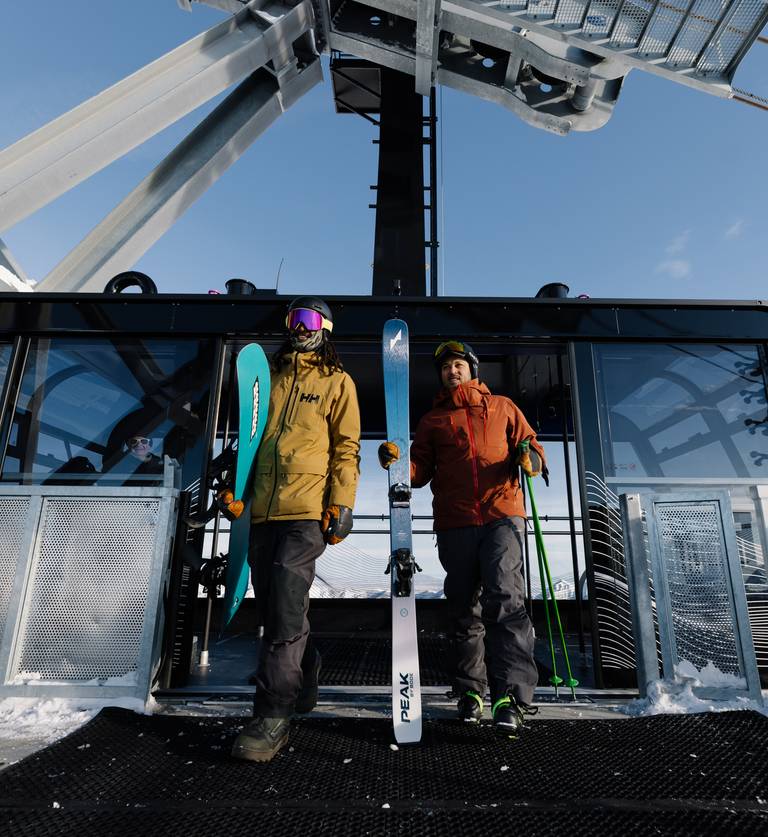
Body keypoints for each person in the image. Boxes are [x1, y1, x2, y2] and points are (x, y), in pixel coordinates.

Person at [378, 340, 546, 734]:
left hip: (503, 515)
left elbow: (533, 447)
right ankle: (471, 692)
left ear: (472, 369)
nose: (451, 371)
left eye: (458, 364)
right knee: (463, 608)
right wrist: (397, 460)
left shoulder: (503, 406)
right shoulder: (433, 421)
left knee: (505, 598)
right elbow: (419, 472)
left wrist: (529, 458)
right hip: (455, 522)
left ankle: (511, 698)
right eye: (445, 367)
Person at [232, 296, 361, 763]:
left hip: (306, 512)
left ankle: (272, 717)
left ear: (324, 327)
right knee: (271, 607)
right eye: (292, 319)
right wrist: (238, 491)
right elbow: (248, 442)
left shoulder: (336, 382)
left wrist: (342, 503)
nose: (298, 328)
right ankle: (306, 667)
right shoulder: (269, 379)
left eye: (307, 319)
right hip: (264, 511)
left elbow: (347, 448)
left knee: (285, 609)